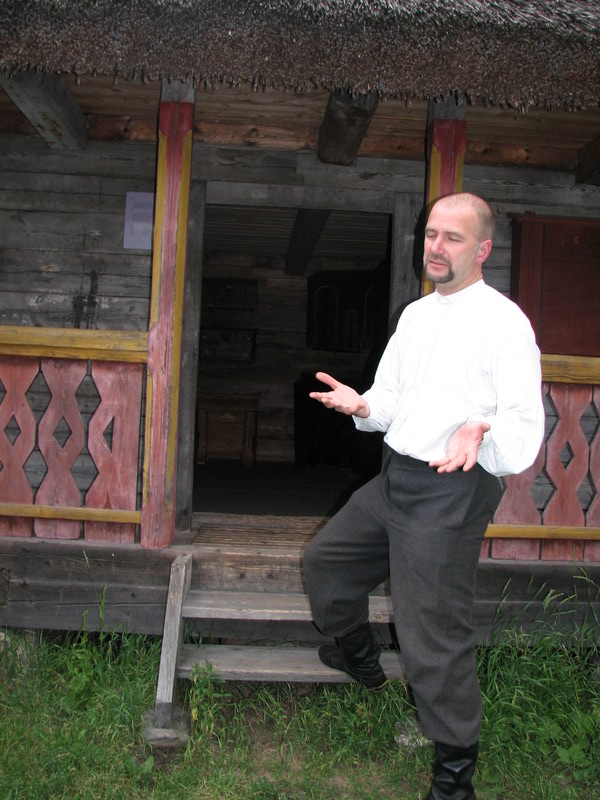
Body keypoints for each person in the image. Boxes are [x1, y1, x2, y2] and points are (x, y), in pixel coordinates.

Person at [303, 192, 545, 800]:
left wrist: (480, 429)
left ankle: (455, 774)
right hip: (396, 479)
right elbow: (391, 400)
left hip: (453, 489)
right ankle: (360, 658)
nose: (435, 247)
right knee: (326, 563)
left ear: (482, 249)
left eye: (452, 238)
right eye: (432, 234)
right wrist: (361, 405)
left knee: (431, 630)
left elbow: (523, 424)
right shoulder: (414, 316)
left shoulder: (505, 323)